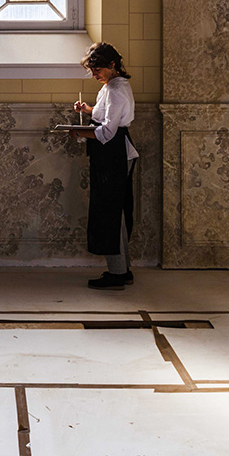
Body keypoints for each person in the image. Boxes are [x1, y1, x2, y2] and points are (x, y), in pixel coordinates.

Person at [73, 42, 139, 290]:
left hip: (114, 153)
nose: (94, 74)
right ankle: (123, 270)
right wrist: (89, 110)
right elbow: (108, 117)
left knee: (111, 212)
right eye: (91, 70)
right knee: (116, 211)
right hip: (116, 151)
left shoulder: (115, 90)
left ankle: (117, 273)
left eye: (97, 69)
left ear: (112, 65)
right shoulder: (114, 86)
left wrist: (79, 132)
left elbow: (108, 132)